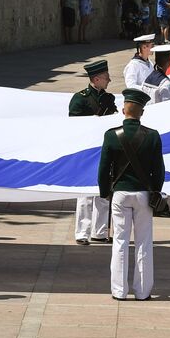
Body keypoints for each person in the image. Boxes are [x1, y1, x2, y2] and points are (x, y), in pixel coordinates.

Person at [98, 88, 166, 301]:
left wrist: (104, 192)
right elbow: (159, 170)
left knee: (120, 241)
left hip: (119, 193)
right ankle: (143, 291)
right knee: (144, 242)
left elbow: (103, 170)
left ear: (123, 109)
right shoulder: (153, 136)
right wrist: (155, 191)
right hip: (144, 194)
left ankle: (119, 290)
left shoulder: (111, 135)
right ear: (142, 112)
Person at [69, 60, 117, 245]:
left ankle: (100, 231)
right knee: (85, 194)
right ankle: (82, 232)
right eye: (106, 78)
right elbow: (74, 124)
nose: (109, 80)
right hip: (86, 150)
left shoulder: (108, 99)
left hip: (104, 150)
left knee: (104, 192)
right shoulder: (80, 99)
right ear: (96, 79)